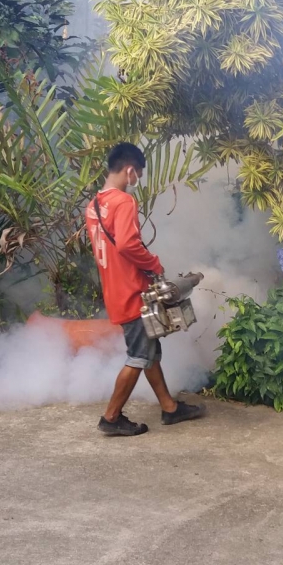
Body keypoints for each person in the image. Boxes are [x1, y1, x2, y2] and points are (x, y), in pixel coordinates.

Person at [85, 141, 204, 437]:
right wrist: (153, 263)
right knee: (139, 355)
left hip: (114, 290)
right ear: (129, 170)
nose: (137, 178)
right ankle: (111, 418)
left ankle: (170, 408)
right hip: (132, 293)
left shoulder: (94, 205)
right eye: (137, 173)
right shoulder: (124, 202)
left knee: (149, 349)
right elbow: (127, 244)